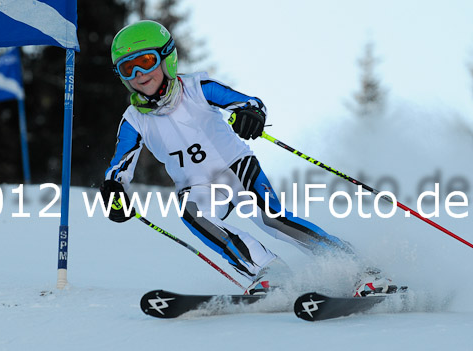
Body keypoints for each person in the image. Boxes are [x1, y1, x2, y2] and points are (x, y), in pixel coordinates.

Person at [100, 20, 395, 296]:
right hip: (196, 185)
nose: (139, 74)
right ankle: (270, 272)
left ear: (167, 58)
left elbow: (247, 102)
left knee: (273, 219)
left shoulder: (198, 88)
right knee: (193, 214)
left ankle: (362, 269)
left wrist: (250, 114)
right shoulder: (134, 120)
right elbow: (120, 165)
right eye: (128, 68)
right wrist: (114, 189)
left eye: (146, 61)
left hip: (235, 167)